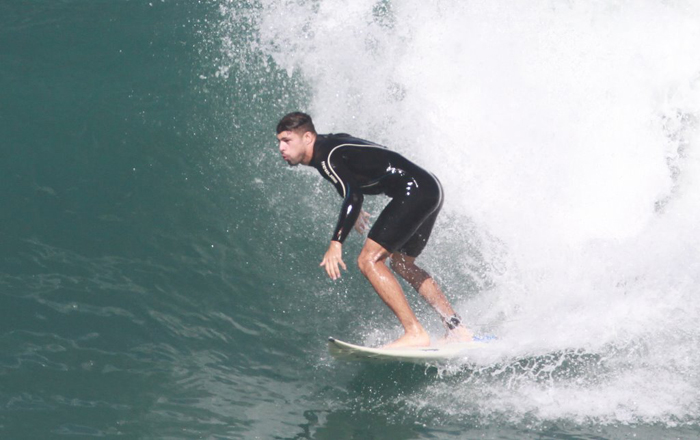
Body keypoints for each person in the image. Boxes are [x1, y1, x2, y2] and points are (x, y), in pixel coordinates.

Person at [276, 111, 473, 348]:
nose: (281, 148)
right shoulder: (330, 145)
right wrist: (352, 202)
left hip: (414, 191)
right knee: (402, 264)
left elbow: (354, 194)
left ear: (307, 138)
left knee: (368, 260)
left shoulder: (326, 157)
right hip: (430, 187)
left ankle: (414, 332)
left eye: (287, 141)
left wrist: (336, 242)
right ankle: (457, 329)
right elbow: (353, 172)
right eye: (279, 141)